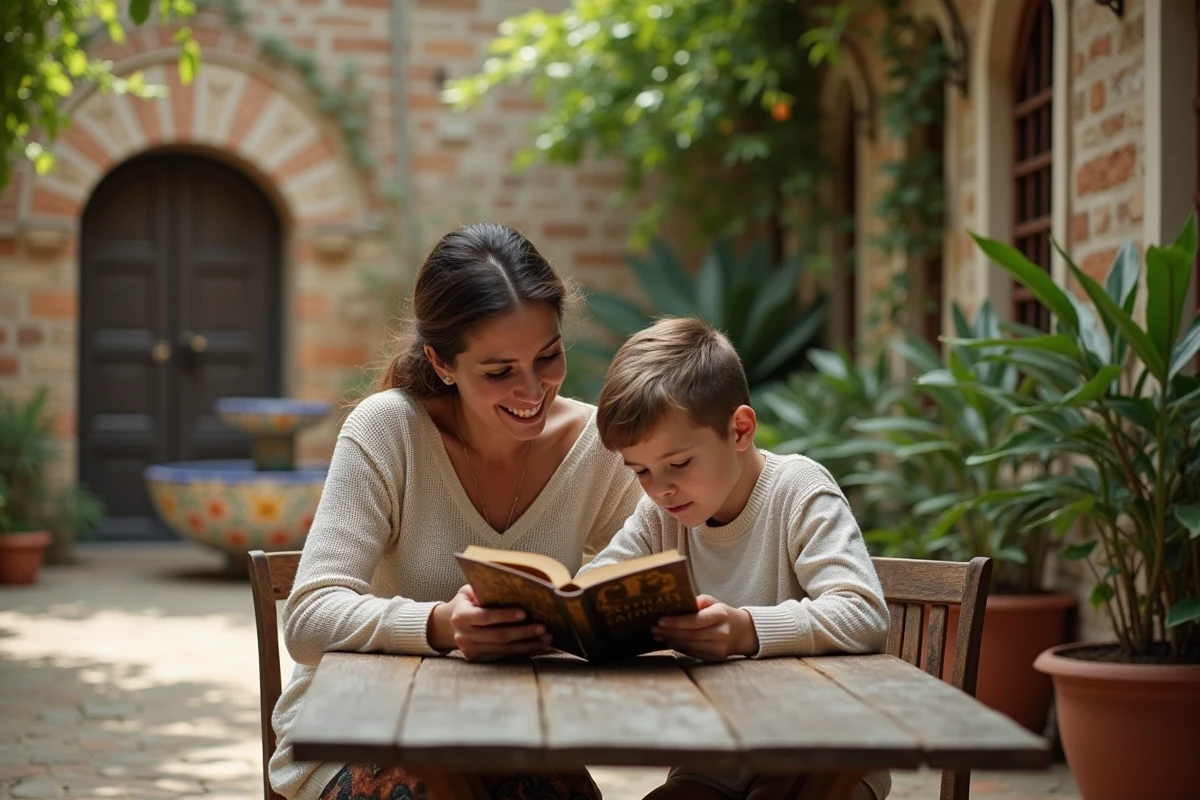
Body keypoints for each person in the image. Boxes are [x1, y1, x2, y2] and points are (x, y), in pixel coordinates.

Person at [269, 222, 642, 800]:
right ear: (442, 364)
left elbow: (675, 555)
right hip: (356, 733)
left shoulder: (595, 445)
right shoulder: (388, 430)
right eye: (499, 372)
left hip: (513, 731)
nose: (532, 389)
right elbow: (307, 619)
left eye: (548, 357)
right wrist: (441, 626)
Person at [579, 316, 891, 800]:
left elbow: (863, 613)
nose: (660, 488)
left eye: (679, 464)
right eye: (640, 471)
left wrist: (746, 630)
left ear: (740, 429)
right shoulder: (663, 514)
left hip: (823, 756)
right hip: (713, 761)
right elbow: (595, 584)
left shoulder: (798, 490)